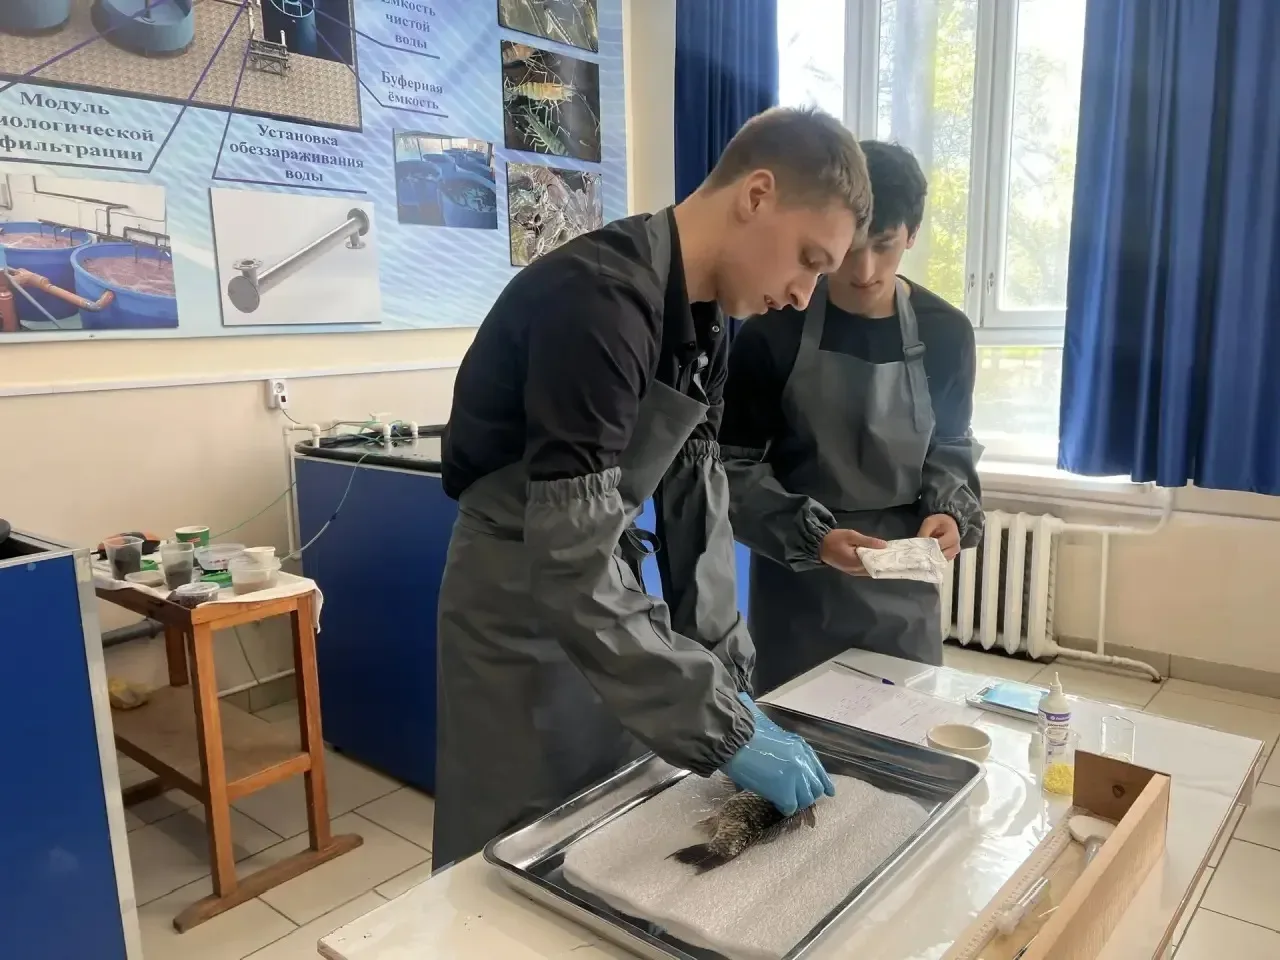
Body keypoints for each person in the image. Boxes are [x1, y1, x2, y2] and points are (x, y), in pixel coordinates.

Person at [431, 107, 873, 866]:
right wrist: (724, 731)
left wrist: (732, 690)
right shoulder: (599, 300)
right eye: (809, 260)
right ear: (757, 194)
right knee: (514, 844)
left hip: (603, 594)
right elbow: (569, 564)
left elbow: (699, 511)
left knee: (603, 829)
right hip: (517, 604)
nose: (804, 294)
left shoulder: (707, 327)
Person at [720, 139, 984, 694]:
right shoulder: (774, 331)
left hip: (903, 581)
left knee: (906, 724)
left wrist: (948, 511)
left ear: (911, 235)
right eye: (852, 248)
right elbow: (730, 469)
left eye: (884, 247)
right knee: (797, 722)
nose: (864, 270)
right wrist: (812, 536)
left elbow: (950, 447)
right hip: (799, 582)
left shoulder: (945, 333)